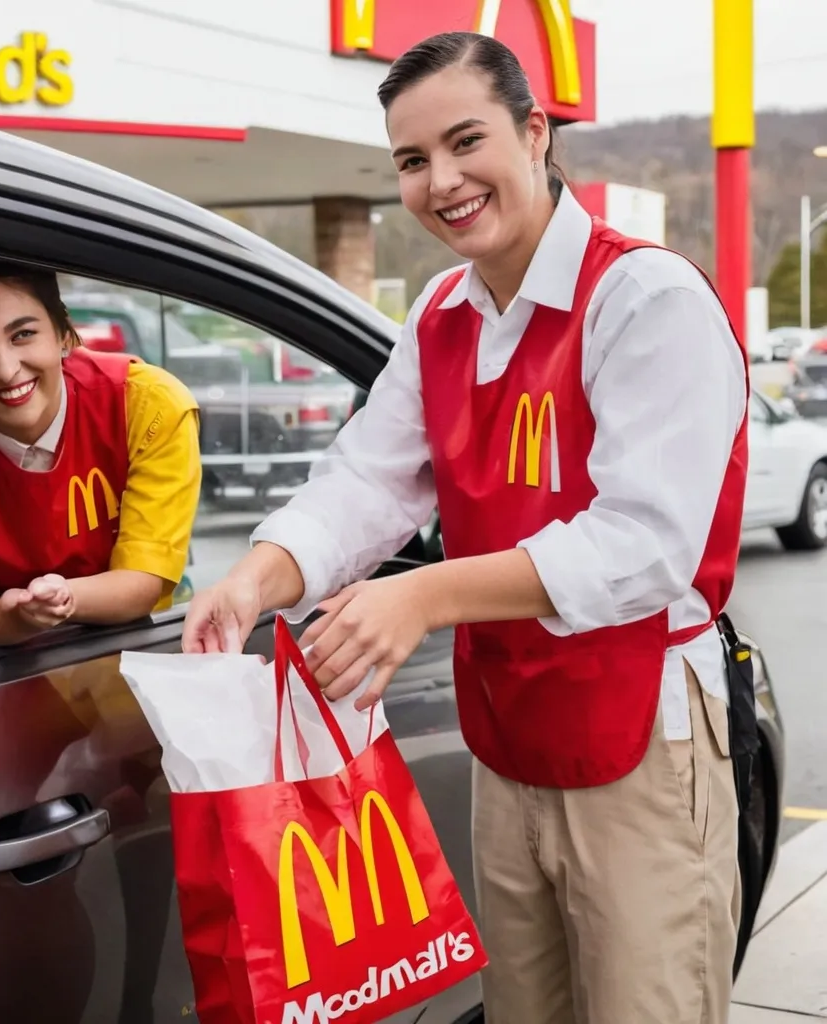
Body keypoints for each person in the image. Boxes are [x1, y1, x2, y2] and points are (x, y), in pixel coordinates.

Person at [183, 31, 749, 1024]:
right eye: (411, 160)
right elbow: (366, 480)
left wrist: (429, 591)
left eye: (464, 141)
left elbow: (644, 543)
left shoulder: (643, 298)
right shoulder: (443, 314)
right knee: (526, 1007)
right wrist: (258, 576)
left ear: (535, 132)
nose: (440, 180)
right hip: (511, 731)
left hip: (643, 732)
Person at [0, 253, 201, 648]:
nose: (7, 369)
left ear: (64, 333)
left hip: (129, 658)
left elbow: (143, 581)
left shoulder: (146, 404)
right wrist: (20, 617)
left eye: (23, 335)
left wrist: (61, 599)